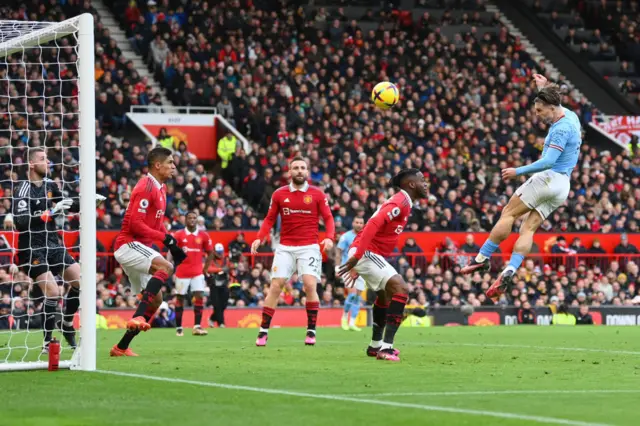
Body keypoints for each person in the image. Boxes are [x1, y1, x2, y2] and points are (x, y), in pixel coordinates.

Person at [461, 74, 582, 301]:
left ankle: (480, 259)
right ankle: (510, 270)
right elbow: (557, 102)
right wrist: (543, 88)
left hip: (548, 177)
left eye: (540, 111)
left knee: (509, 213)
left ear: (551, 107)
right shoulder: (571, 117)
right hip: (563, 186)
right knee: (528, 229)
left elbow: (548, 161)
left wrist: (518, 171)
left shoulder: (559, 130)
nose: (538, 115)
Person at [12, 147, 105, 352]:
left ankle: (67, 324)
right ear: (32, 164)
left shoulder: (50, 185)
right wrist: (46, 214)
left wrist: (88, 202)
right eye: (43, 159)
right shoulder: (22, 189)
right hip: (32, 249)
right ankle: (47, 342)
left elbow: (66, 204)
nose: (48, 162)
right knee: (53, 291)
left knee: (83, 282)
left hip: (53, 244)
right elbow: (19, 222)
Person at [338, 168, 428, 361]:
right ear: (411, 184)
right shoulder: (401, 201)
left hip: (369, 253)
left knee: (384, 297)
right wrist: (358, 256)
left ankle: (375, 345)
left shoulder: (404, 202)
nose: (426, 183)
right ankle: (386, 348)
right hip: (367, 252)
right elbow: (373, 223)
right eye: (422, 180)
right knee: (401, 289)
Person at [110, 147, 186, 357]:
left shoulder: (160, 188)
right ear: (157, 165)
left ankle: (121, 347)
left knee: (156, 300)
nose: (174, 166)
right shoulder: (146, 186)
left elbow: (157, 224)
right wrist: (165, 239)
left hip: (140, 248)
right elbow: (135, 224)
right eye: (170, 162)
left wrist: (171, 242)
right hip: (127, 244)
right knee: (165, 267)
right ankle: (139, 317)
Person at [251, 157, 335, 346]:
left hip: (309, 247)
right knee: (275, 285)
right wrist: (259, 237)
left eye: (302, 168)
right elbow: (269, 218)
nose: (299, 171)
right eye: (295, 168)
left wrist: (329, 237)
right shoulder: (279, 194)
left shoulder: (318, 194)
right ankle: (263, 331)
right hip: (285, 247)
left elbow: (328, 218)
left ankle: (311, 331)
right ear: (289, 172)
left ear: (307, 172)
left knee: (309, 285)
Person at [169, 211, 214, 337]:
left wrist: (205, 269)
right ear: (185, 220)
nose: (192, 220)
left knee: (199, 297)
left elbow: (210, 253)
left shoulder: (203, 236)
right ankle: (179, 327)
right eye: (190, 218)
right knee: (180, 298)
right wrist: (169, 265)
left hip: (197, 272)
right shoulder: (179, 234)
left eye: (194, 218)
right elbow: (170, 250)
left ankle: (197, 327)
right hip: (182, 272)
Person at [335, 217, 365, 331]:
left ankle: (352, 322)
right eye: (357, 222)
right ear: (353, 223)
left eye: (361, 223)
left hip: (361, 269)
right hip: (347, 267)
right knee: (352, 294)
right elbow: (338, 251)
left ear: (364, 224)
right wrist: (337, 267)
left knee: (358, 296)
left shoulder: (365, 236)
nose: (359, 224)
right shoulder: (345, 236)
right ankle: (344, 317)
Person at [208, 243, 230, 328]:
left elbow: (229, 267)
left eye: (221, 252)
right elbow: (208, 269)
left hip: (224, 283)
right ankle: (221, 323)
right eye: (218, 252)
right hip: (214, 284)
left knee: (223, 304)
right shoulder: (210, 259)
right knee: (216, 304)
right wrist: (219, 269)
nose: (220, 254)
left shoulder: (226, 259)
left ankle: (212, 318)